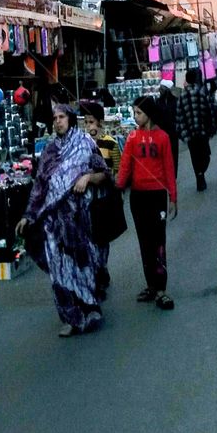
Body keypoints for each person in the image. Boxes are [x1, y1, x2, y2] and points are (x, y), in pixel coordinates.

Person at [17, 104, 108, 337]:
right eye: (55, 118)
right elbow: (39, 186)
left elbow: (104, 174)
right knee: (58, 269)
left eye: (62, 117)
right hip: (52, 219)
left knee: (82, 264)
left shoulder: (85, 144)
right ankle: (70, 317)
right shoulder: (48, 151)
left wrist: (87, 177)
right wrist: (29, 215)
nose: (58, 121)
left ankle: (89, 308)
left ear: (71, 119)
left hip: (79, 217)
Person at [116, 96, 177, 311]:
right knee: (144, 242)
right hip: (138, 197)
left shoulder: (163, 138)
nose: (135, 117)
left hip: (157, 195)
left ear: (149, 114)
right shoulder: (132, 137)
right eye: (134, 113)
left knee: (158, 241)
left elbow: (169, 169)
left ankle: (161, 288)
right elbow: (124, 166)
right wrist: (119, 188)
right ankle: (151, 285)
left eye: (139, 113)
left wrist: (173, 198)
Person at [80, 100, 120, 299]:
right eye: (86, 122)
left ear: (101, 123)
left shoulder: (110, 144)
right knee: (90, 239)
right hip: (87, 200)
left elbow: (118, 172)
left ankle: (102, 269)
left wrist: (104, 177)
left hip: (104, 199)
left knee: (102, 239)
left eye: (92, 122)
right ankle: (95, 275)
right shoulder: (79, 147)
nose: (89, 127)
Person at [176, 68, 216, 191]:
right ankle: (201, 174)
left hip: (190, 133)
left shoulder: (181, 96)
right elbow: (210, 111)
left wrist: (181, 132)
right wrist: (212, 127)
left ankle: (199, 176)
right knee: (205, 154)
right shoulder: (202, 92)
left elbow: (179, 115)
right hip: (202, 131)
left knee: (195, 156)